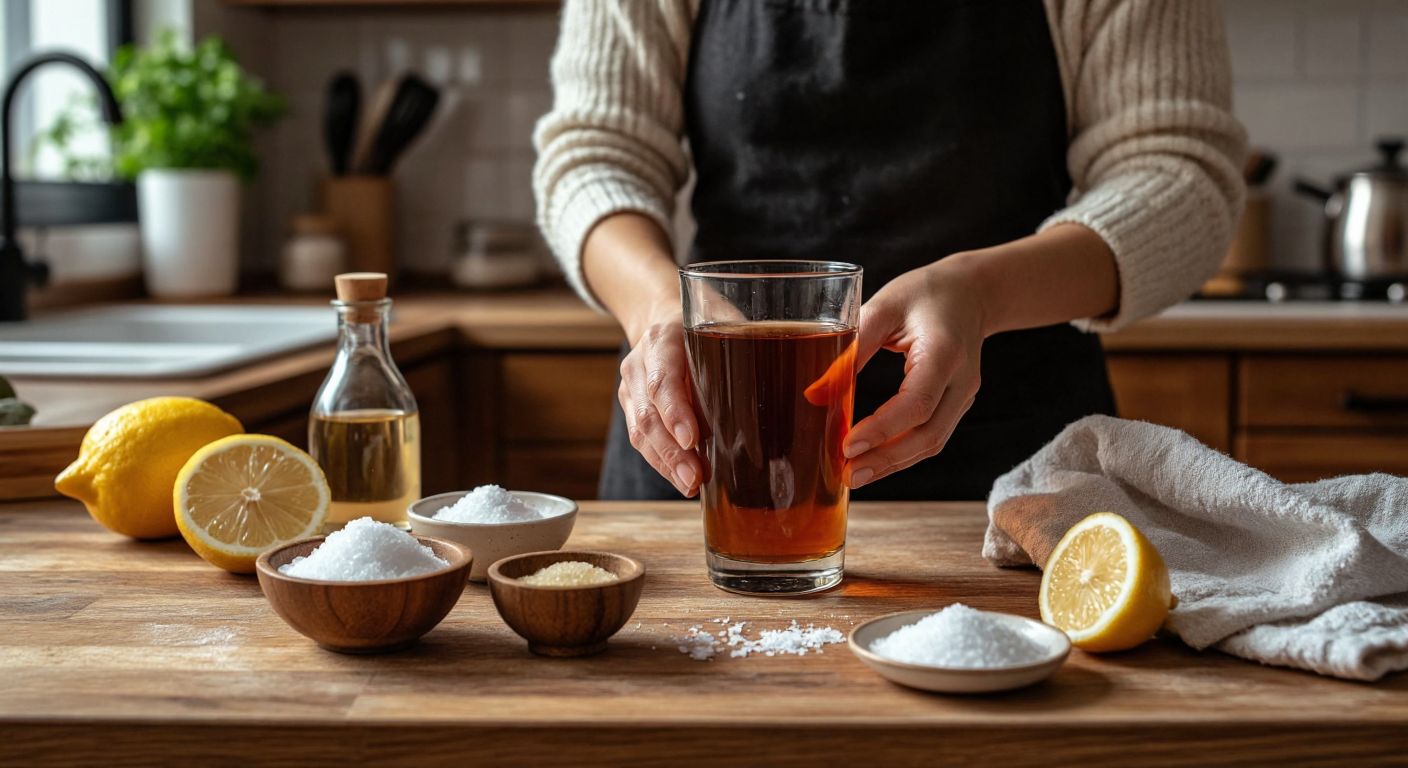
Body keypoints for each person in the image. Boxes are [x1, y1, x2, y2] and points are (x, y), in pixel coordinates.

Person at [532, 0, 1246, 501]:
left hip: (1015, 465)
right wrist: (662, 304)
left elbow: (1178, 174)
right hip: (710, 440)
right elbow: (595, 156)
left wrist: (980, 293)